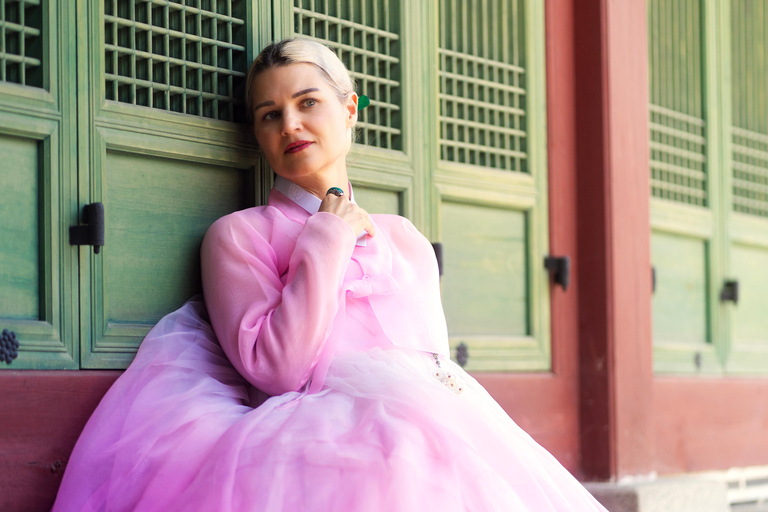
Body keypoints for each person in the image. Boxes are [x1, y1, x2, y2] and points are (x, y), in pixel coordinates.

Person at [52, 39, 608, 512]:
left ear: (350, 109)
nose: (290, 124)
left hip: (439, 444)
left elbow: (436, 371)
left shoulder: (405, 240)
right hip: (314, 449)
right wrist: (328, 236)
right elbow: (277, 369)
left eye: (307, 102)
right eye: (270, 115)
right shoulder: (239, 235)